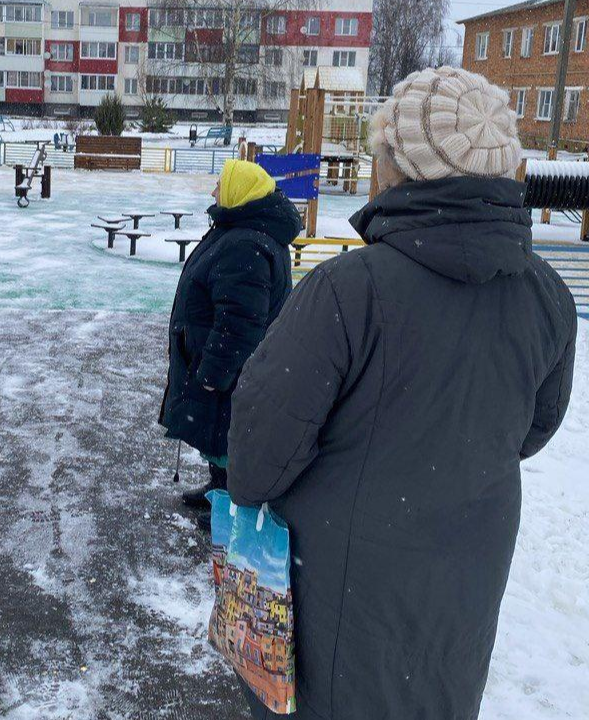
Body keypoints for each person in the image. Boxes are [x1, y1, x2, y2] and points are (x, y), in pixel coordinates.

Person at [227, 67, 577, 719]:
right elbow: (534, 428)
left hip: (341, 578)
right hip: (468, 564)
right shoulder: (545, 294)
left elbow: (257, 457)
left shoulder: (347, 291)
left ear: (399, 165)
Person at [159, 160, 302, 532]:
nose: (213, 191)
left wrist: (214, 372)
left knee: (227, 435)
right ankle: (217, 489)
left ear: (239, 192)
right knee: (218, 433)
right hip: (222, 361)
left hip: (231, 367)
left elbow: (239, 323)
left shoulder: (246, 244)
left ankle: (229, 504)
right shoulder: (240, 230)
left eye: (220, 184)